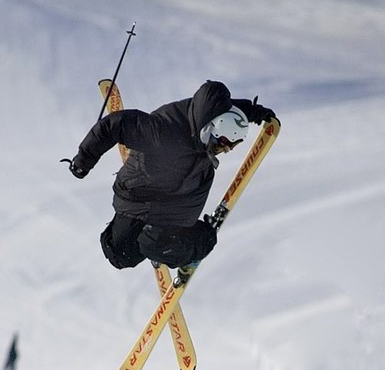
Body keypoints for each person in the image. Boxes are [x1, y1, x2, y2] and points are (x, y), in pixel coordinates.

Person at [66, 80, 276, 270]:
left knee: (154, 245)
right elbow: (113, 125)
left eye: (232, 146)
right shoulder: (162, 131)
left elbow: (231, 109)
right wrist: (83, 162)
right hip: (141, 198)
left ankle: (196, 242)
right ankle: (157, 239)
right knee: (120, 255)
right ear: (210, 126)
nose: (225, 150)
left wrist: (256, 112)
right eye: (222, 143)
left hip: (182, 200)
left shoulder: (215, 115)